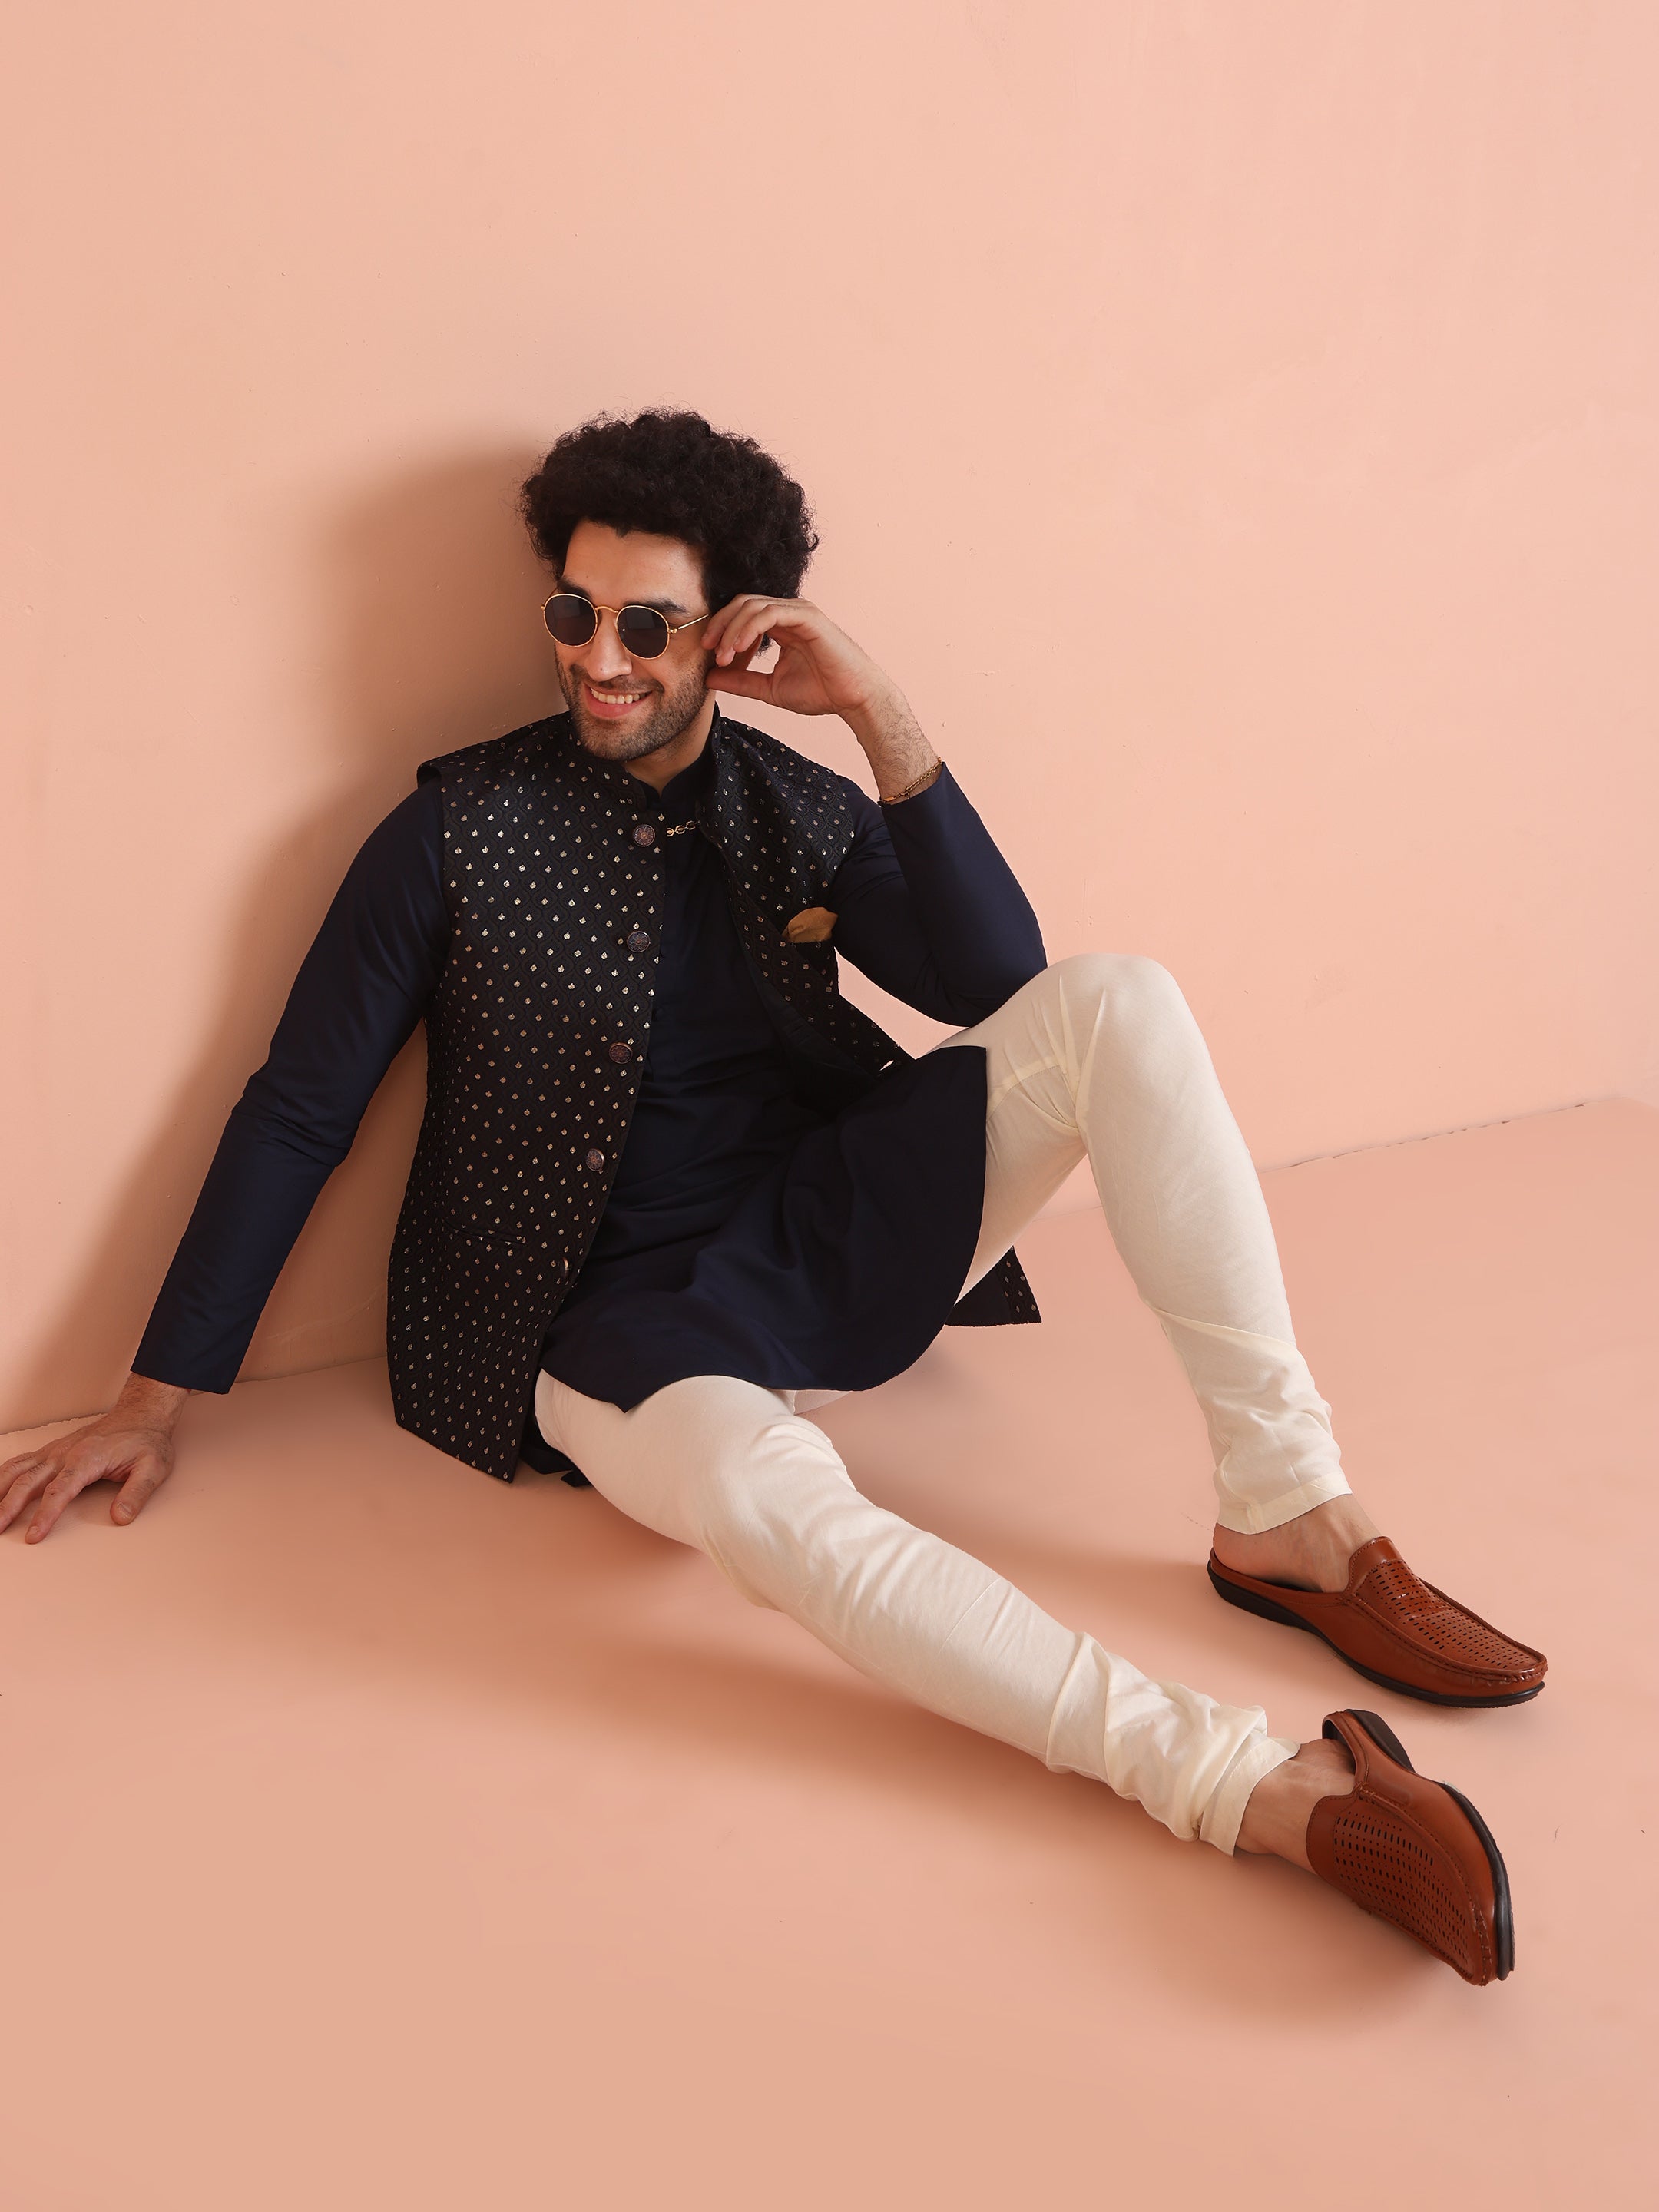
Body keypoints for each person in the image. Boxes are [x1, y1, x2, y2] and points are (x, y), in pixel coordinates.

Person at [1, 409, 1545, 1985]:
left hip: (828, 1233)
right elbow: (300, 1110)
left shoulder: (797, 806)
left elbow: (1001, 985)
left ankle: (1289, 1510)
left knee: (1120, 1000)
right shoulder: (453, 832)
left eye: (649, 626)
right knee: (763, 1510)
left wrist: (878, 713)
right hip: (612, 1322)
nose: (600, 659)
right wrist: (154, 1397)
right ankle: (1252, 1790)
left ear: (729, 635)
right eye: (575, 612)